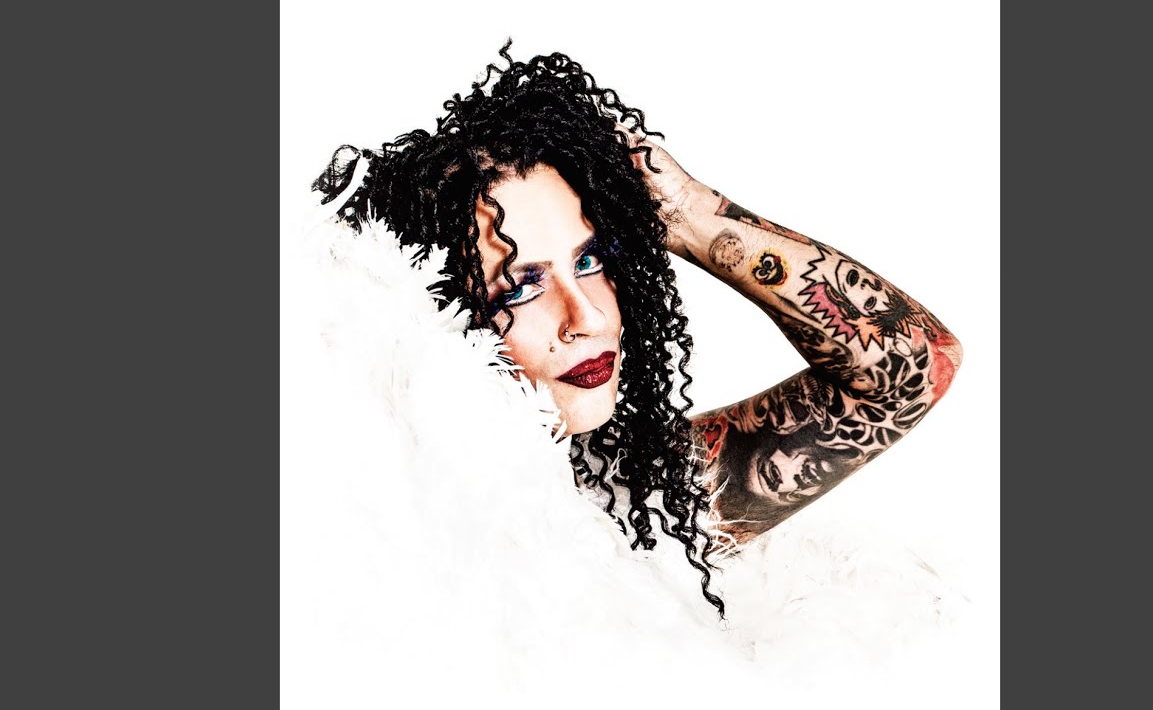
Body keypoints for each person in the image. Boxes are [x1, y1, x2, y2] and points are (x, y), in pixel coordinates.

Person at [312, 41, 962, 618]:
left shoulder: (634, 509)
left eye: (590, 261)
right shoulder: (345, 554)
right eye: (522, 285)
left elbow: (911, 369)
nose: (589, 317)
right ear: (425, 314)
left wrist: (690, 215)